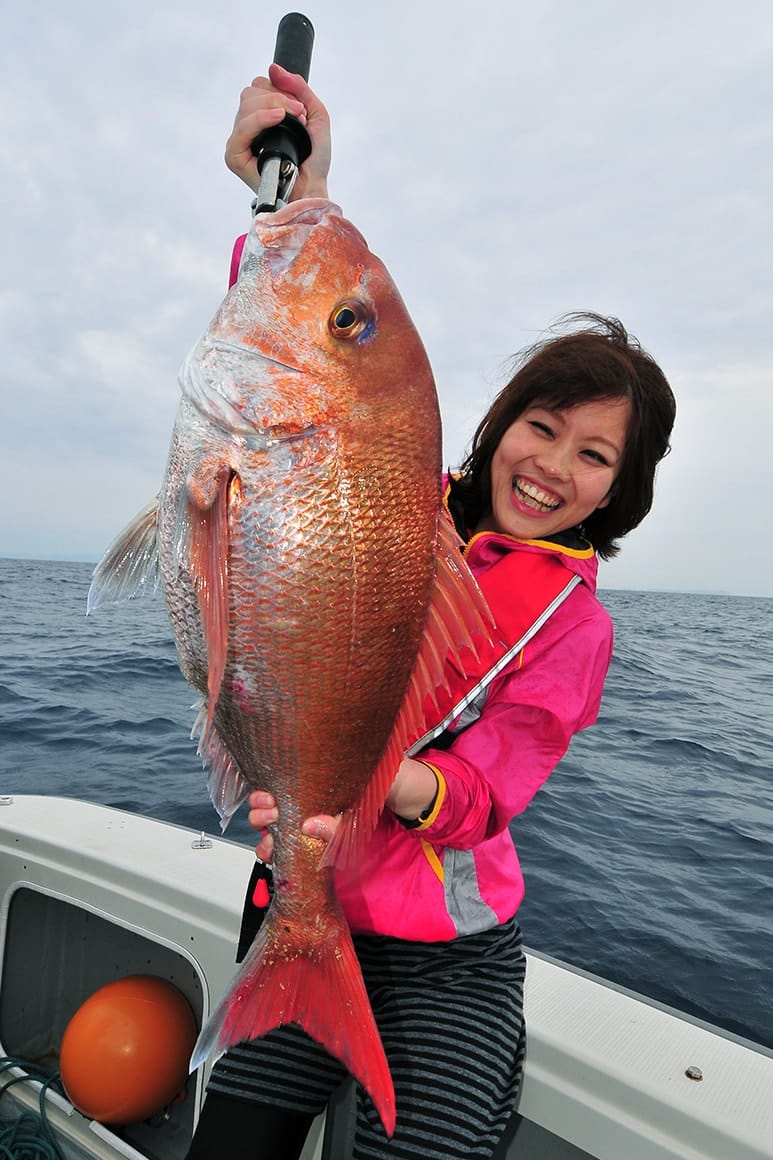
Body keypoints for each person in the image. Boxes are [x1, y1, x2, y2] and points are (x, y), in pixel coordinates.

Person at [185, 64, 677, 1160]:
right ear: (502, 421)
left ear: (617, 487)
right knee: (227, 1142)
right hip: (307, 893)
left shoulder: (571, 625)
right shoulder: (401, 506)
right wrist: (289, 193)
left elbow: (492, 785)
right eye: (541, 426)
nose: (551, 465)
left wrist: (373, 779)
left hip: (445, 944)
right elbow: (293, 375)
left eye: (591, 454)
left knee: (433, 1147)